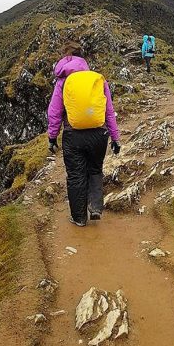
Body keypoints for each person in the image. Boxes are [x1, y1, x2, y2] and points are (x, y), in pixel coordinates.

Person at [47, 42, 120, 227]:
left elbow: (54, 111)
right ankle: (95, 207)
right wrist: (115, 138)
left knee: (75, 176)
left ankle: (79, 217)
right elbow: (108, 111)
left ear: (63, 60)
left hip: (73, 135)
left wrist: (52, 137)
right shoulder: (97, 79)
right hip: (99, 134)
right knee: (95, 170)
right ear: (83, 60)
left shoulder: (63, 81)